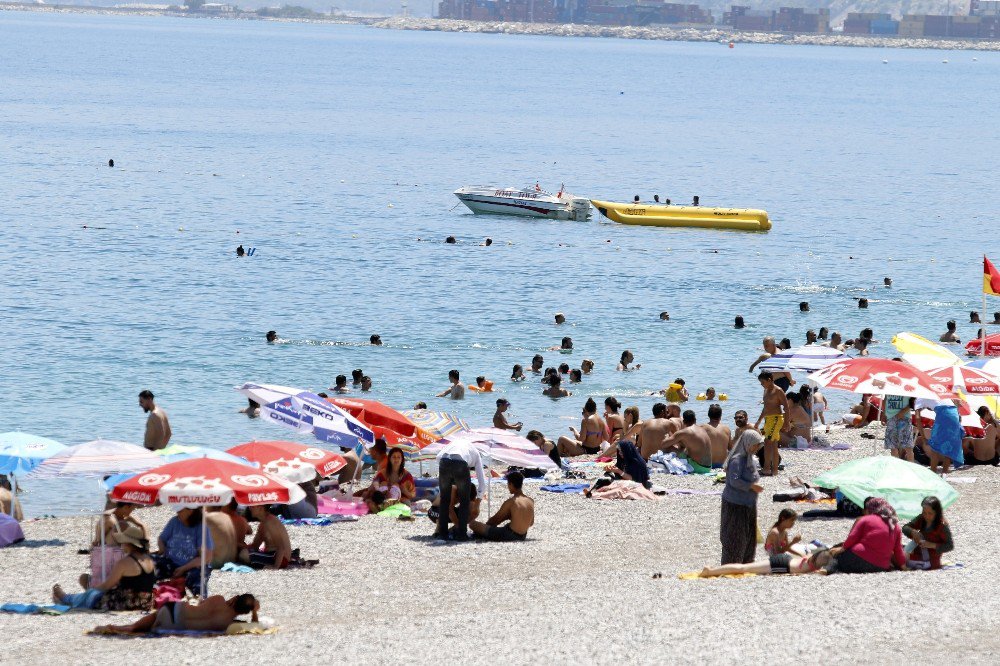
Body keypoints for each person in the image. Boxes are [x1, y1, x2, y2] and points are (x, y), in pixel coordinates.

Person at [54, 524, 156, 611]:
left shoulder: (125, 562)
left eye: (123, 542)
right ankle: (67, 597)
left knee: (91, 595)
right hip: (145, 602)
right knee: (92, 594)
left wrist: (92, 591)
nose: (121, 545)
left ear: (129, 544)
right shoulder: (149, 560)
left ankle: (64, 597)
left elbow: (107, 585)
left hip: (126, 603)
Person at [94, 594, 259, 635]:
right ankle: (131, 628)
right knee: (148, 629)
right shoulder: (227, 625)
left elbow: (200, 605)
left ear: (236, 598)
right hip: (175, 626)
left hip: (173, 610)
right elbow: (255, 626)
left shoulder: (218, 599)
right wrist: (255, 613)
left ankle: (113, 627)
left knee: (136, 626)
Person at [720, 430, 765, 564]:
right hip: (735, 504)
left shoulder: (749, 458)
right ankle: (732, 565)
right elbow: (734, 481)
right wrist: (751, 486)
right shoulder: (737, 460)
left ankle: (746, 563)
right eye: (755, 445)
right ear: (748, 443)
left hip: (748, 504)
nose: (757, 448)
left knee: (749, 536)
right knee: (735, 536)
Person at [828, 497, 906, 574]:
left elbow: (852, 537)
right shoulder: (895, 525)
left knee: (836, 556)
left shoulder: (866, 519)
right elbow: (898, 550)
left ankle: (826, 570)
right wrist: (904, 566)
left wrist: (842, 549)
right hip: (880, 567)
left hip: (857, 560)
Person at [435, 436, 487, 541]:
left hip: (443, 461)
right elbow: (482, 483)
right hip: (460, 464)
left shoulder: (452, 444)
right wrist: (478, 502)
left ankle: (442, 534)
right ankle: (462, 535)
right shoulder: (476, 453)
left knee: (444, 500)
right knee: (464, 500)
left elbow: (438, 458)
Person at [155, 507, 213, 596]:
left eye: (180, 510)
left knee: (198, 579)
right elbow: (161, 539)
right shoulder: (174, 521)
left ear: (191, 510)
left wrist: (183, 568)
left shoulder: (202, 528)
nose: (177, 512)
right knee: (149, 565)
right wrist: (162, 548)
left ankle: (199, 603)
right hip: (170, 561)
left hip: (191, 566)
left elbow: (206, 557)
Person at [470, 471, 534, 542]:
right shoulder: (530, 500)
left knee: (473, 524)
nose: (508, 487)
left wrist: (486, 526)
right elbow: (531, 523)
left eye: (508, 484)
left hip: (508, 535)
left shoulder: (512, 501)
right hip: (523, 536)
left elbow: (495, 520)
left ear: (511, 484)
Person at [699, 549, 833, 578]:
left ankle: (712, 570)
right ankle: (710, 571)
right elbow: (796, 572)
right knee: (743, 568)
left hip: (784, 559)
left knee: (745, 567)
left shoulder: (811, 558)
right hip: (781, 565)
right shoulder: (812, 567)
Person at [901, 496, 954, 570]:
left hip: (930, 561)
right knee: (892, 548)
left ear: (937, 513)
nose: (927, 516)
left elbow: (950, 546)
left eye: (930, 513)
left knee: (894, 556)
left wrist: (932, 545)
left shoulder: (942, 526)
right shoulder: (922, 518)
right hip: (917, 551)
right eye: (924, 513)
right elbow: (905, 527)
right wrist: (912, 532)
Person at [754, 372, 789, 476]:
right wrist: (759, 421)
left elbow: (786, 407)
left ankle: (766, 468)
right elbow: (766, 408)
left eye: (763, 382)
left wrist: (787, 422)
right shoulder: (765, 390)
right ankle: (774, 470)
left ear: (770, 380)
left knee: (767, 442)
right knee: (773, 445)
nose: (762, 384)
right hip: (768, 419)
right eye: (760, 382)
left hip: (776, 419)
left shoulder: (778, 390)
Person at [365, 447, 416, 513]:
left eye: (398, 457)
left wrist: (404, 491)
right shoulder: (382, 474)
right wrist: (382, 490)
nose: (396, 459)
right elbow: (372, 488)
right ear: (389, 459)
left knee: (407, 503)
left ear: (402, 460)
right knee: (369, 502)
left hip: (400, 501)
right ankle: (385, 510)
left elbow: (412, 495)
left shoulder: (407, 476)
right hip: (382, 500)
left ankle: (383, 510)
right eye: (394, 457)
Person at [919, 400, 964, 473]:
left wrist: (923, 438)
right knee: (948, 448)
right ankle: (944, 473)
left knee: (935, 449)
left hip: (945, 413)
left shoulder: (919, 400)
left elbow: (918, 418)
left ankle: (933, 472)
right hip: (953, 413)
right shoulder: (942, 397)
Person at [883, 395, 915, 461]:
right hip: (890, 417)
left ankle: (911, 468)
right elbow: (885, 399)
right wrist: (884, 414)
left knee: (908, 447)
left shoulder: (907, 385)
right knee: (892, 446)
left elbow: (914, 399)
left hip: (904, 417)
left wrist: (903, 411)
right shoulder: (888, 385)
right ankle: (896, 468)